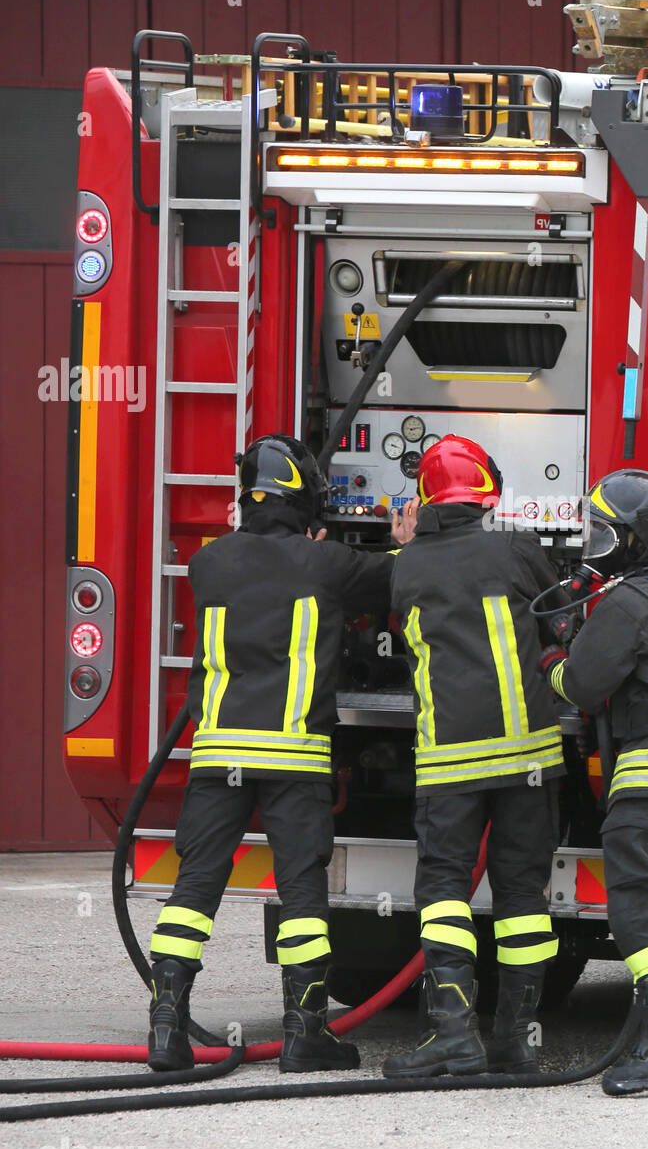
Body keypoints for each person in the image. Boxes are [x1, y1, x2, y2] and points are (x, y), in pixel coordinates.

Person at [147, 433, 417, 1074]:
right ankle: (304, 1036)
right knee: (301, 893)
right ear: (307, 501)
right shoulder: (325, 565)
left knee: (194, 887)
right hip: (293, 759)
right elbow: (392, 581)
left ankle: (164, 1032)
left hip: (218, 755)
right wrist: (406, 542)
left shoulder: (209, 563)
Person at [382, 435, 568, 1078]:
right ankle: (516, 1042)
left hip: (450, 765)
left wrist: (408, 545)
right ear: (488, 490)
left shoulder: (406, 566)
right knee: (521, 894)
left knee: (443, 890)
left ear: (426, 499)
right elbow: (563, 620)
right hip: (530, 758)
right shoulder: (519, 548)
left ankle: (454, 1034)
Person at [542, 469, 648, 1095]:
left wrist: (553, 656)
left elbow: (583, 687)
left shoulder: (629, 602)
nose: (594, 542)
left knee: (637, 908)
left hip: (645, 776)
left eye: (604, 532)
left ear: (634, 538)